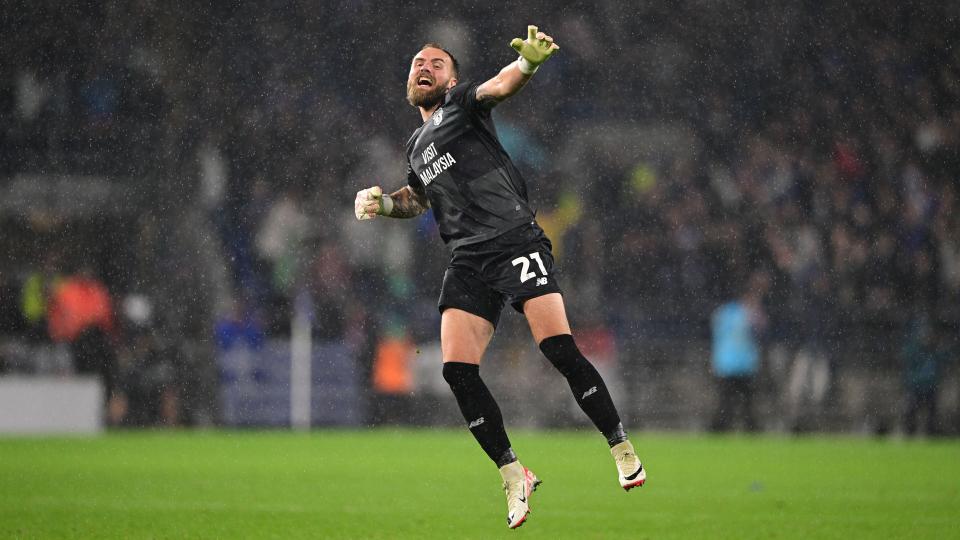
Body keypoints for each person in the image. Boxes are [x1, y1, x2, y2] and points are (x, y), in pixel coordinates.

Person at [354, 26, 644, 529]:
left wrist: (527, 65)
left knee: (558, 349)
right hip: (467, 258)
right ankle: (513, 473)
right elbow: (418, 200)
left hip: (514, 240)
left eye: (435, 63)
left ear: (451, 80)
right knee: (457, 372)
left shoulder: (463, 104)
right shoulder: (415, 146)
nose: (423, 66)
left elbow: (501, 85)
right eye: (416, 61)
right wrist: (382, 203)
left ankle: (619, 444)